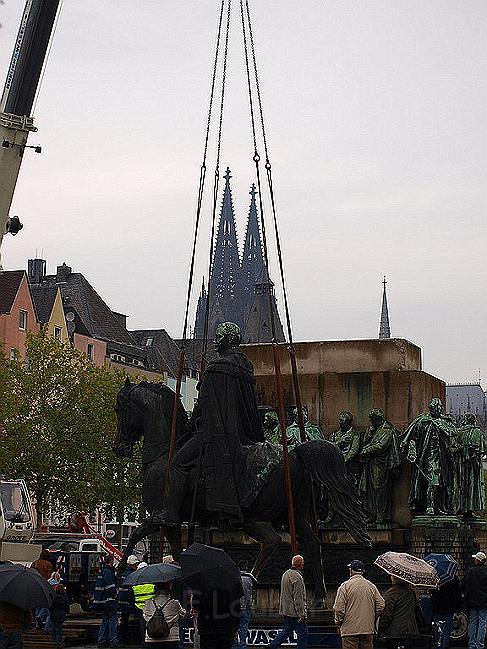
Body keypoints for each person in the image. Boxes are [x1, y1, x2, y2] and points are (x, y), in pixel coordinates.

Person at [157, 322, 279, 526]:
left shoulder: (216, 369)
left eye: (219, 337)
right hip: (243, 433)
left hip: (215, 434)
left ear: (229, 340)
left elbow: (203, 405)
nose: (215, 342)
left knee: (177, 464)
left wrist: (187, 427)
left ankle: (170, 514)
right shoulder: (245, 366)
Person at [401, 398, 456, 515]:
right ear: (433, 408)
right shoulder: (423, 421)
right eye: (439, 407)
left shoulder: (445, 421)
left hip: (443, 457)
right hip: (429, 457)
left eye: (441, 407)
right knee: (433, 482)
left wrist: (442, 425)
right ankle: (430, 506)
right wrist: (412, 452)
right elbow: (413, 439)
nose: (441, 409)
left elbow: (453, 432)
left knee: (442, 483)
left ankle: (440, 506)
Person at [358, 409, 401, 523]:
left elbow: (382, 445)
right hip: (369, 464)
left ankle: (380, 514)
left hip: (380, 465)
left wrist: (367, 449)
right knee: (368, 489)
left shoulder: (387, 430)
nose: (371, 422)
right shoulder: (371, 429)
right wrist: (369, 434)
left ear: (379, 420)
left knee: (379, 489)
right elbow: (363, 442)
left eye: (373, 420)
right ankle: (371, 513)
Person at [333, 559, 385, 649]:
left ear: (351, 570)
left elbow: (338, 609)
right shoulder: (371, 586)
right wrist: (371, 616)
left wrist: (338, 622)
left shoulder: (345, 586)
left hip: (349, 631)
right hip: (368, 630)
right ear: (363, 571)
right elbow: (381, 605)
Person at [269, 555, 307, 649]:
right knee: (302, 633)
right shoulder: (297, 578)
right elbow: (298, 598)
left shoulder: (286, 574)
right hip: (295, 613)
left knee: (286, 631)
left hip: (286, 611)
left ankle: (272, 646)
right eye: (303, 563)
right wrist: (301, 614)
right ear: (301, 564)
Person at [379, 576, 418, 648]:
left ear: (394, 578)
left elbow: (387, 614)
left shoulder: (392, 593)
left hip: (395, 633)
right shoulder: (411, 592)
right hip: (410, 631)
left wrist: (381, 626)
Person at [143, 581, 185, 648]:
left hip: (151, 638)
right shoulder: (175, 603)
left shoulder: (148, 602)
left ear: (156, 588)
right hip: (171, 638)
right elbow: (182, 615)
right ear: (169, 588)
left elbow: (145, 616)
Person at [430, 575, 462, 648]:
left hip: (438, 606)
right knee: (447, 628)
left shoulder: (435, 577)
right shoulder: (454, 578)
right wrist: (458, 607)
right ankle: (445, 645)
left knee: (438, 627)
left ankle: (438, 645)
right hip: (449, 606)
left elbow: (431, 591)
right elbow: (458, 593)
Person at [93, 554, 118, 648]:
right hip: (109, 601)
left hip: (103, 601)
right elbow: (110, 588)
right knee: (113, 620)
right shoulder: (108, 572)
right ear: (111, 561)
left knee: (105, 620)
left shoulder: (103, 571)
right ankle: (113, 641)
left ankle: (101, 639)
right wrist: (116, 594)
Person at [463, 551, 487, 649]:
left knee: (472, 622)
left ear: (478, 560)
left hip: (472, 601)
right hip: (484, 601)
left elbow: (463, 584)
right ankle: (479, 644)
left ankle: (471, 644)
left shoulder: (470, 571)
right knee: (482, 622)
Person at [330, 411, 361, 483]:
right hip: (335, 466)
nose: (339, 422)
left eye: (341, 420)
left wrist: (343, 461)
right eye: (339, 420)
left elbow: (353, 451)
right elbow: (330, 448)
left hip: (349, 466)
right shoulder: (334, 434)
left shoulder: (355, 435)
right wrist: (339, 441)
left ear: (348, 422)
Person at [117, 554, 139, 645]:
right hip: (127, 602)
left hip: (122, 601)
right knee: (127, 621)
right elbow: (130, 590)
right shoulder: (132, 574)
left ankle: (122, 639)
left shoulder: (124, 573)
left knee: (124, 621)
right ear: (133, 564)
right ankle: (126, 640)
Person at [133, 562, 155, 642]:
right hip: (150, 607)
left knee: (142, 625)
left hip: (139, 607)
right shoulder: (152, 582)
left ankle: (143, 641)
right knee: (150, 624)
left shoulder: (135, 582)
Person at [232, 569, 255, 649]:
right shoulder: (250, 579)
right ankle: (242, 646)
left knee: (234, 629)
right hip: (246, 607)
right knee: (243, 629)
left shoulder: (234, 578)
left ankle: (234, 646)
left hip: (235, 608)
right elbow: (252, 593)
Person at [31, 549, 53, 630]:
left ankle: (37, 623)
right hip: (44, 585)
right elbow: (49, 576)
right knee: (45, 604)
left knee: (37, 604)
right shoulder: (48, 564)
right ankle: (41, 617)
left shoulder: (35, 563)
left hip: (35, 584)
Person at [49, 583, 70, 648]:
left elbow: (50, 606)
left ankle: (54, 640)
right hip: (61, 614)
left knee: (53, 627)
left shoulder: (53, 597)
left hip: (54, 613)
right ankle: (59, 642)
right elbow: (66, 607)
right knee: (59, 629)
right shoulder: (65, 597)